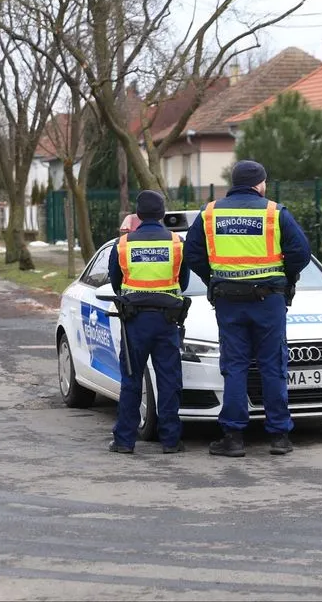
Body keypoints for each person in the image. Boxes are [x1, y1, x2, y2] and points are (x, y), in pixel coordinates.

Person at [184, 160, 312, 458]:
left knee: (235, 366)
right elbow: (301, 253)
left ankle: (233, 437)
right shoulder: (274, 212)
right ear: (260, 183)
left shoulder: (210, 213)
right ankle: (279, 436)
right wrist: (285, 277)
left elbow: (193, 254)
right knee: (272, 365)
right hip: (269, 301)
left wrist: (213, 280)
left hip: (229, 301)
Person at [106, 190, 191, 455]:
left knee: (131, 381)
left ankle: (124, 441)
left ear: (138, 215)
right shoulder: (177, 243)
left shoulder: (122, 245)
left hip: (135, 322)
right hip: (167, 320)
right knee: (168, 380)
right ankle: (170, 441)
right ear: (163, 214)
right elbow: (184, 282)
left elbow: (115, 281)